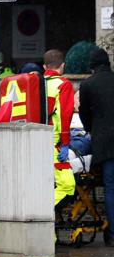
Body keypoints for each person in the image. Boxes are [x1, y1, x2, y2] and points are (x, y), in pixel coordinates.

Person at [79, 47, 114, 245]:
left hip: (106, 143)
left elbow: (84, 114)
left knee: (111, 187)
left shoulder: (88, 85)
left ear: (92, 66)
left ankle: (113, 233)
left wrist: (91, 129)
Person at [43, 48, 78, 208]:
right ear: (62, 66)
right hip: (54, 145)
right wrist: (65, 143)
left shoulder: (35, 85)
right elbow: (65, 116)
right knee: (67, 187)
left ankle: (50, 233)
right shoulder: (63, 85)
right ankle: (39, 212)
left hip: (35, 141)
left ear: (44, 67)